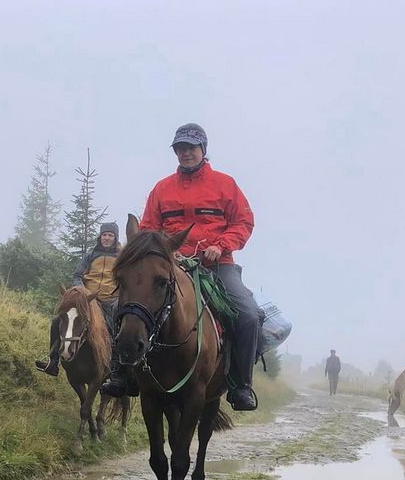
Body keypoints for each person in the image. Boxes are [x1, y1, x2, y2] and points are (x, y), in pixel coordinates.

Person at [102, 123, 261, 411]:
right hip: (169, 263)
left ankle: (240, 386)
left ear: (203, 150)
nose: (185, 153)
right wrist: (159, 253)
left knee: (248, 315)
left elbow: (243, 222)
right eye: (180, 149)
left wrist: (222, 245)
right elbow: (149, 228)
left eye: (190, 148)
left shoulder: (226, 184)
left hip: (216, 264)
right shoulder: (162, 188)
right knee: (119, 306)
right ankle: (122, 374)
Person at [35, 222, 120, 376]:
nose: (106, 238)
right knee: (57, 322)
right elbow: (77, 275)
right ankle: (53, 361)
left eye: (110, 235)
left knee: (116, 328)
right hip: (88, 300)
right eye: (104, 235)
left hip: (110, 300)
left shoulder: (121, 257)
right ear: (100, 237)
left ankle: (116, 369)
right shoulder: (91, 255)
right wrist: (81, 292)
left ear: (115, 238)